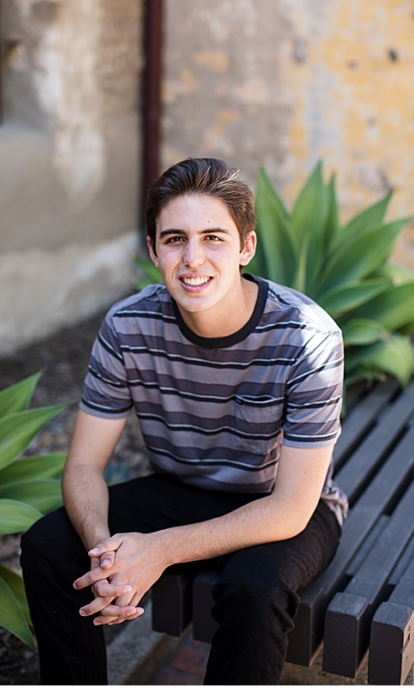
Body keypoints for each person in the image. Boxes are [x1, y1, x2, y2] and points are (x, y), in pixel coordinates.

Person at [20, 157, 348, 684]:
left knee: (255, 588)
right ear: (154, 251)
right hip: (182, 487)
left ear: (246, 247)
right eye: (175, 239)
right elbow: (83, 463)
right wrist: (106, 553)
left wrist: (158, 550)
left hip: (281, 505)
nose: (193, 259)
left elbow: (290, 508)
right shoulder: (128, 327)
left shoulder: (307, 338)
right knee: (49, 547)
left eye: (213, 238)